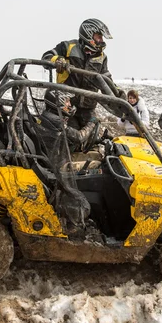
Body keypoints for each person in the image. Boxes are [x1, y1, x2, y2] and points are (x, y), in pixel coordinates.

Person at [42, 18, 125, 129]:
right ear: (89, 34)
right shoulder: (68, 47)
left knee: (93, 137)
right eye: (99, 36)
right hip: (67, 105)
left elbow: (107, 80)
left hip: (88, 107)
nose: (101, 40)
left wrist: (118, 94)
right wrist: (58, 60)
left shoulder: (102, 57)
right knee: (70, 137)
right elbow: (46, 57)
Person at [36, 89, 98, 232]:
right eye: (67, 102)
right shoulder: (56, 120)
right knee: (98, 165)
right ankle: (77, 217)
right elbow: (79, 136)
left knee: (94, 157)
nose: (69, 104)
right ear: (59, 103)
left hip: (55, 157)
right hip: (58, 164)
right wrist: (92, 124)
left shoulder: (50, 116)